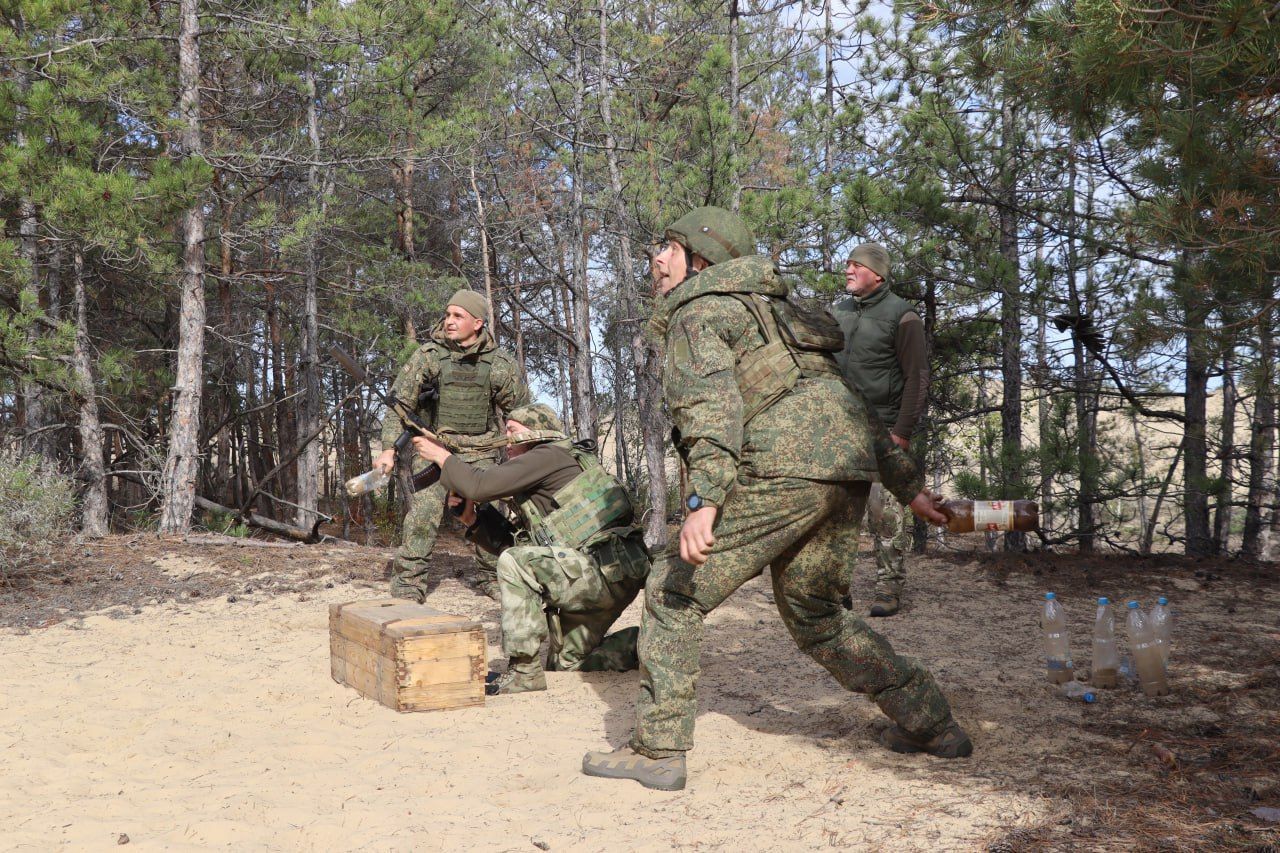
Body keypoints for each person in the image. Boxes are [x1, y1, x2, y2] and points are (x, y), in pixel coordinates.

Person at [581, 207, 971, 792]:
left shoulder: (701, 309)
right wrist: (909, 488)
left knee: (672, 593)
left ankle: (657, 749)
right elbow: (850, 407)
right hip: (846, 474)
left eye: (668, 247)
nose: (656, 259)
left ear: (702, 260)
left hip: (781, 471)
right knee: (818, 616)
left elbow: (709, 411)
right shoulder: (785, 317)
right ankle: (932, 724)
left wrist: (704, 500)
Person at [412, 403, 649, 696]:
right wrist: (474, 520)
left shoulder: (548, 454)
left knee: (515, 562)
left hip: (598, 571)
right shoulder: (542, 476)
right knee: (567, 665)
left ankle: (523, 673)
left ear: (538, 433)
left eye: (511, 431)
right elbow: (523, 548)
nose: (506, 441)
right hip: (605, 573)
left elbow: (479, 485)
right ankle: (650, 645)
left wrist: (440, 454)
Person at [374, 290, 529, 602]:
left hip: (481, 451)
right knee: (424, 513)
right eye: (447, 315)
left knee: (486, 513)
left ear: (478, 322)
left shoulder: (500, 364)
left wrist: (523, 449)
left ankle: (491, 577)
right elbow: (398, 405)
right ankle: (409, 582)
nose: (449, 321)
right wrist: (388, 448)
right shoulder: (429, 356)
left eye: (458, 316)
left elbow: (521, 414)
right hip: (434, 448)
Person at [831, 243, 930, 618]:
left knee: (884, 511)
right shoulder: (839, 312)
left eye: (856, 265)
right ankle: (836, 589)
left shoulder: (902, 316)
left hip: (884, 428)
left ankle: (889, 587)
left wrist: (901, 431)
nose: (848, 270)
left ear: (878, 273)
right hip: (840, 428)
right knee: (836, 512)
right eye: (848, 264)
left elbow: (917, 378)